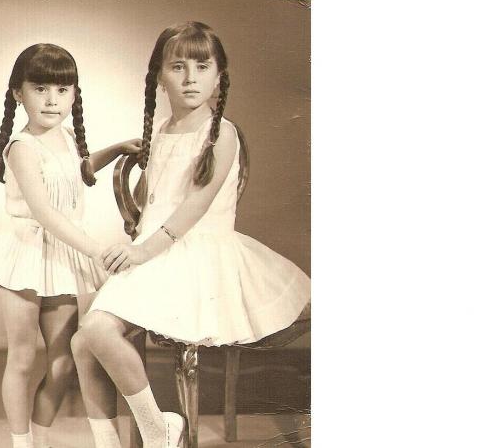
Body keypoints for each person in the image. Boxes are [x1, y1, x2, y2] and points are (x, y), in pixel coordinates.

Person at [71, 22, 311, 448]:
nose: (190, 78)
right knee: (83, 339)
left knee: (95, 330)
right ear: (159, 77)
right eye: (178, 67)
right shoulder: (162, 132)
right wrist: (130, 157)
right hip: (156, 254)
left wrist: (140, 252)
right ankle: (134, 436)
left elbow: (192, 209)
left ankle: (158, 431)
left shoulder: (223, 134)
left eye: (202, 67)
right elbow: (153, 204)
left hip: (198, 257)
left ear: (219, 77)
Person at [0, 43, 140, 448]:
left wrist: (116, 149)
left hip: (60, 256)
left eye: (62, 90)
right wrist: (95, 250)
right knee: (23, 358)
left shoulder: (67, 137)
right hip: (26, 255)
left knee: (63, 363)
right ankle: (21, 443)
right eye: (40, 88)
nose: (51, 100)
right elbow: (45, 213)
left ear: (74, 95)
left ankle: (41, 437)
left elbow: (78, 171)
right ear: (18, 93)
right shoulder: (21, 148)